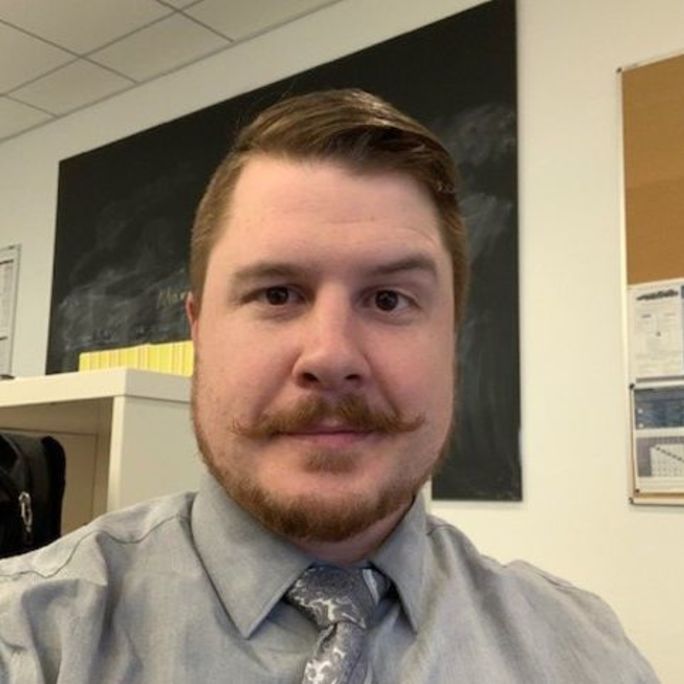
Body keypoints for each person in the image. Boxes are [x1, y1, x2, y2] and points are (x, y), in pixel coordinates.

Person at [0, 89, 658, 683]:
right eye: (278, 293)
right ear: (199, 329)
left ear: (451, 336)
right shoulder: (32, 638)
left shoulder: (584, 652)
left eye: (391, 299)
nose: (333, 355)